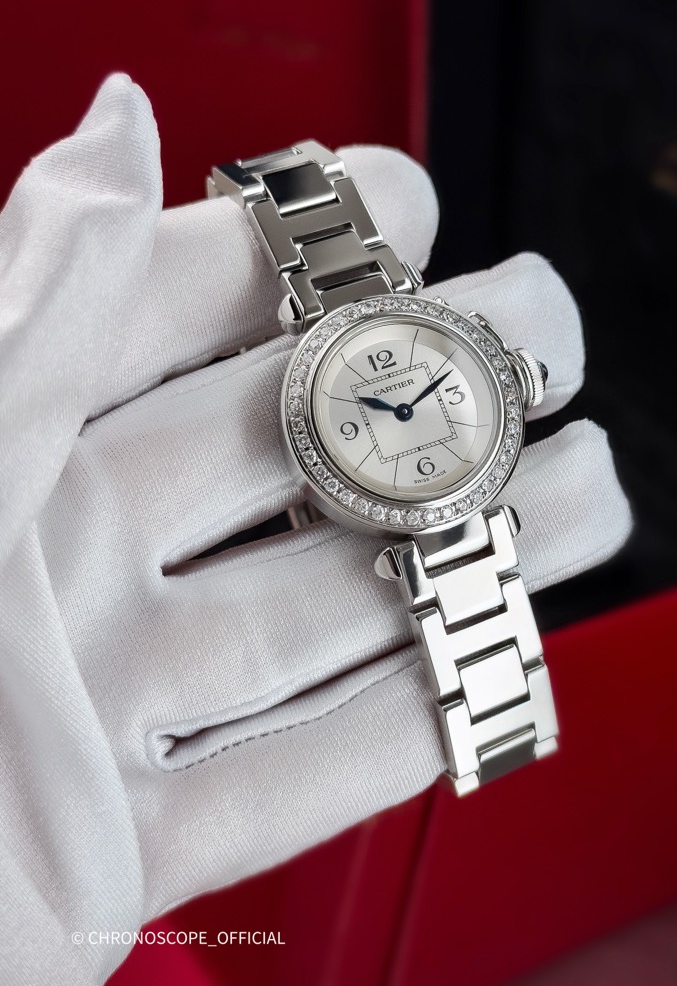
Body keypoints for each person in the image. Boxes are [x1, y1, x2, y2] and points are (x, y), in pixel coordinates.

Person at [0, 74, 631, 985]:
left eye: (411, 398)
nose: (404, 406)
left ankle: (498, 704)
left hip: (438, 480)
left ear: (509, 377)